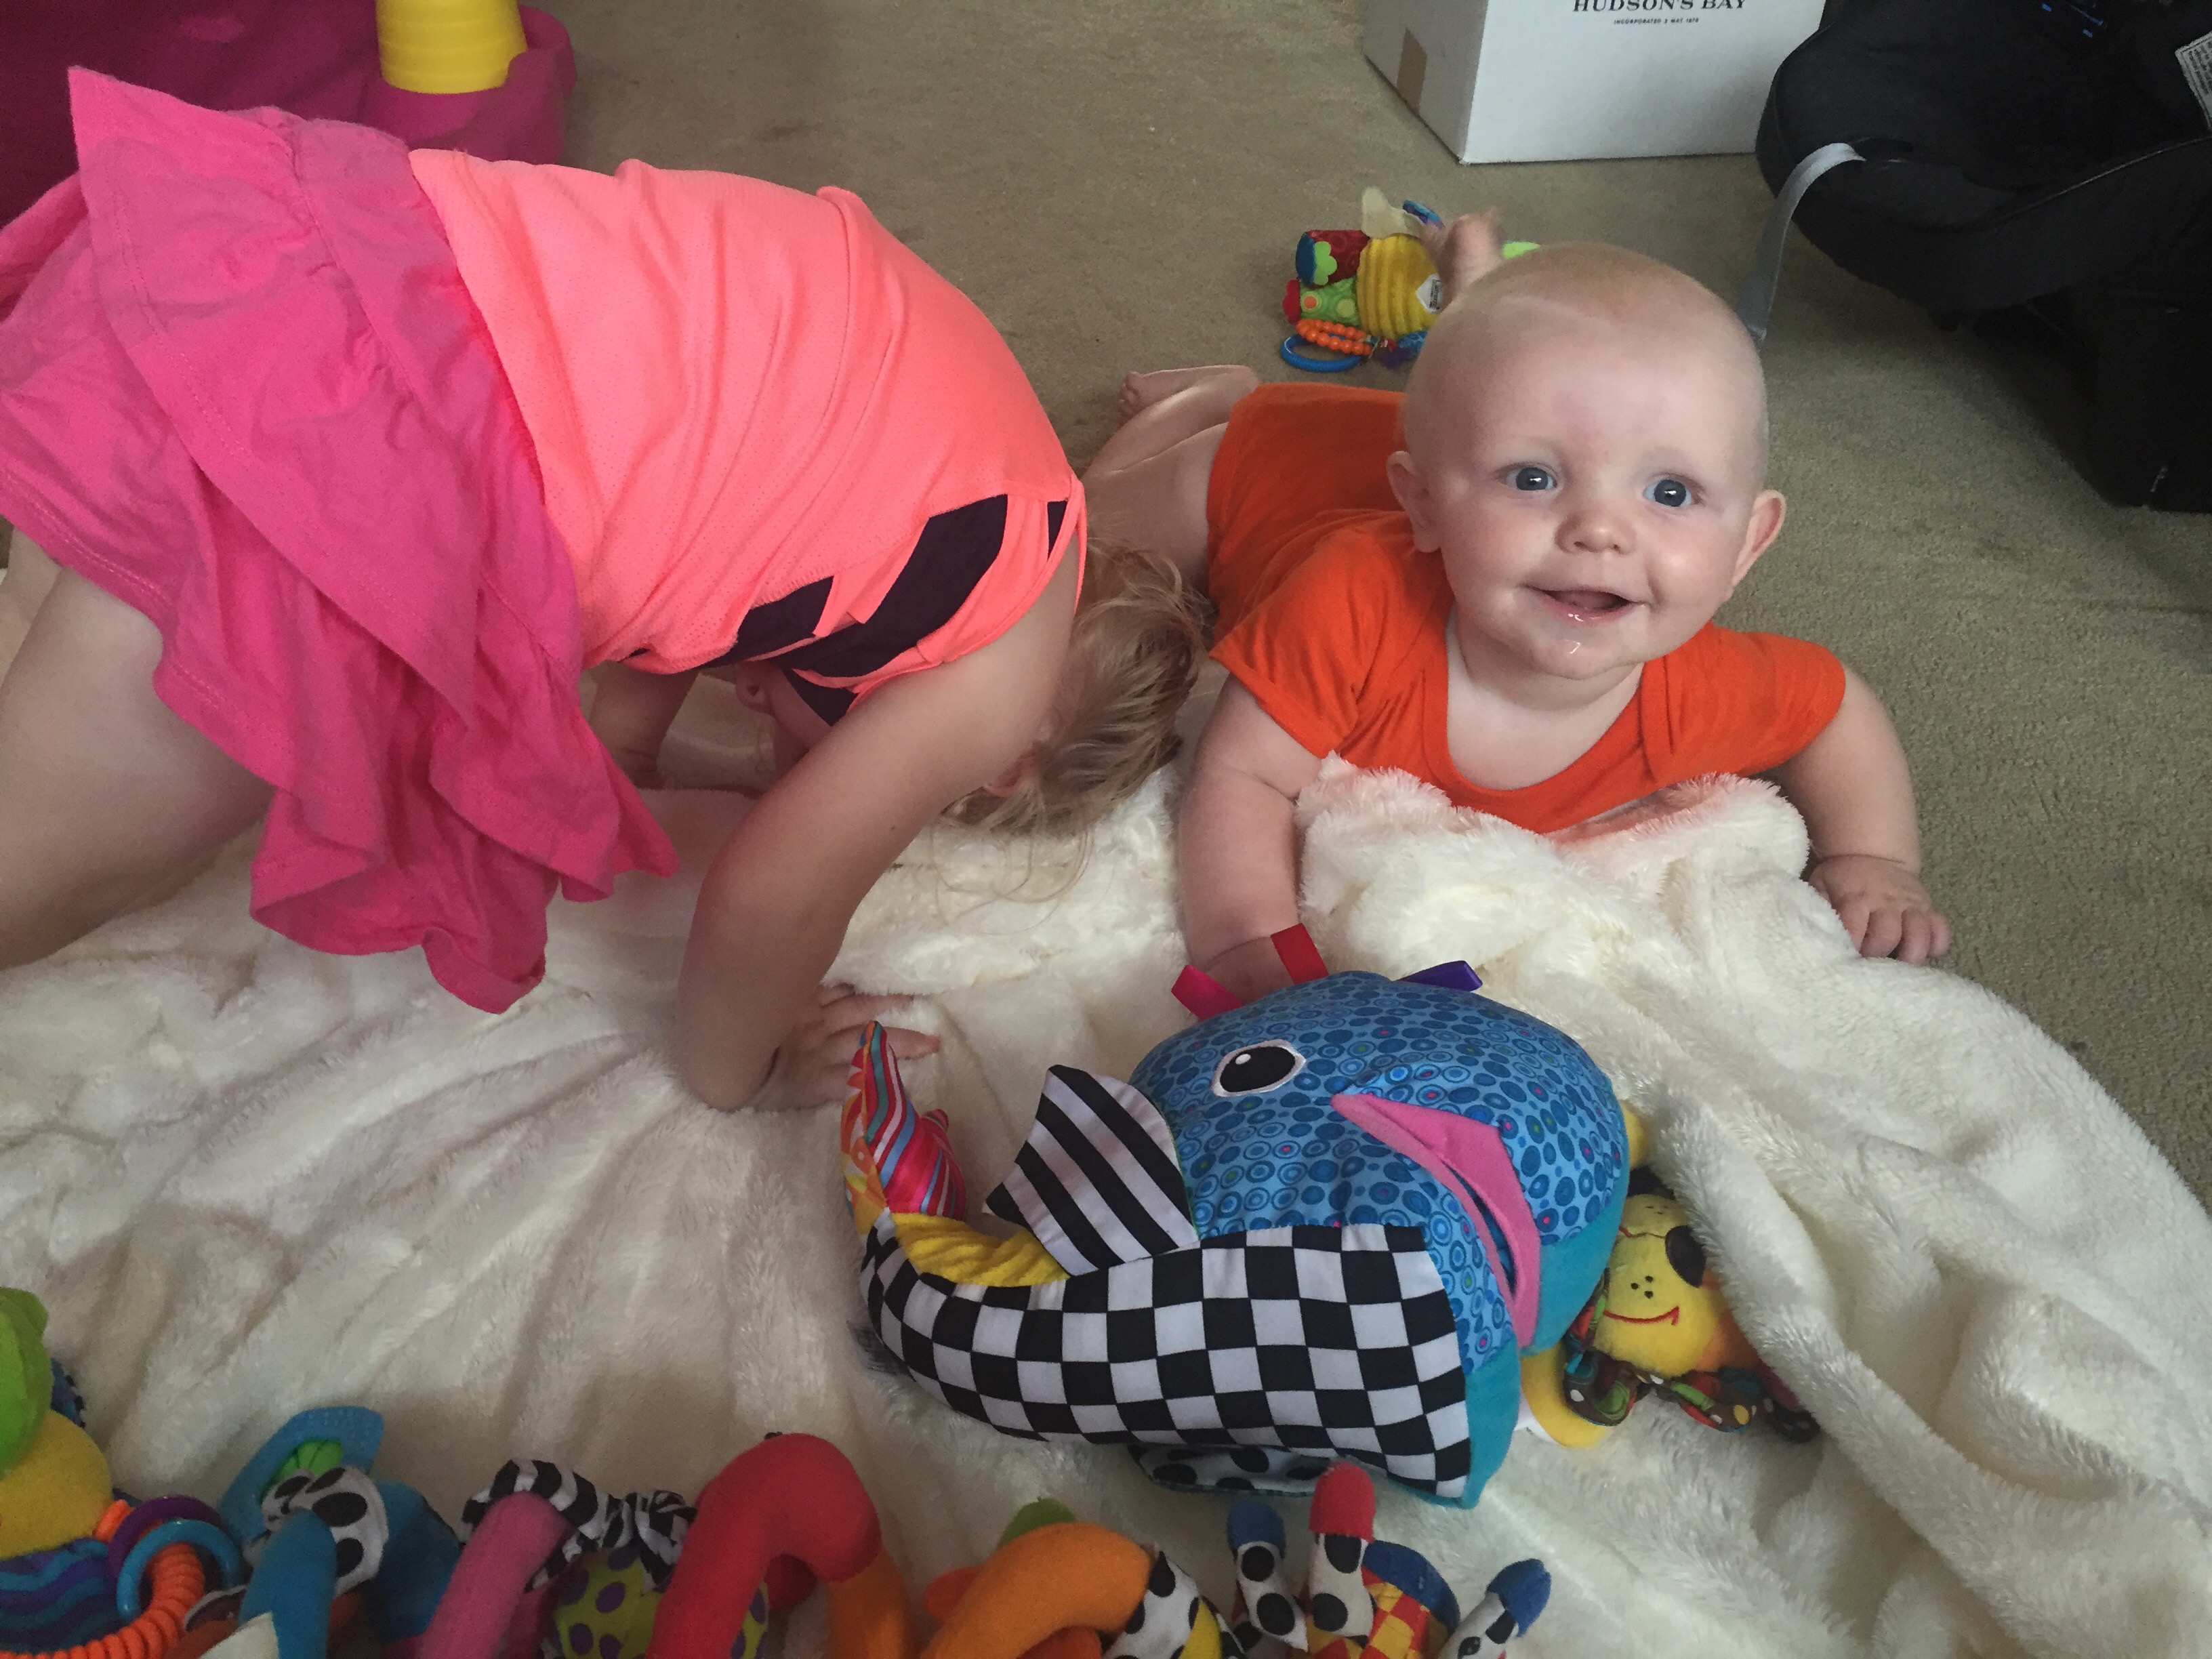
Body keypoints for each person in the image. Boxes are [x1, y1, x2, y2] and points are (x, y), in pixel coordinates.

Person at [0, 70, 1203, 1109]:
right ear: (1008, 769)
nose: (772, 715)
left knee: (50, 678)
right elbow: (774, 897)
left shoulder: (978, 461)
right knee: (39, 866)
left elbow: (696, 489)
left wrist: (620, 753)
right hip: (329, 454)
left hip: (273, 257)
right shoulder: (998, 690)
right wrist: (745, 1065)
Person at [1082, 215, 1950, 1003]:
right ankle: (1214, 397)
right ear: (1422, 507)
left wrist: (1874, 857)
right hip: (1269, 465)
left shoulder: (1702, 690)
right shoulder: (1352, 600)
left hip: (1435, 449)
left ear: (1748, 545)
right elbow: (1243, 774)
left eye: (1671, 492)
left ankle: (1479, 335)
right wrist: (1247, 947)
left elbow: (1834, 709)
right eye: (1533, 479)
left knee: (1490, 407)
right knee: (1083, 534)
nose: (1600, 531)